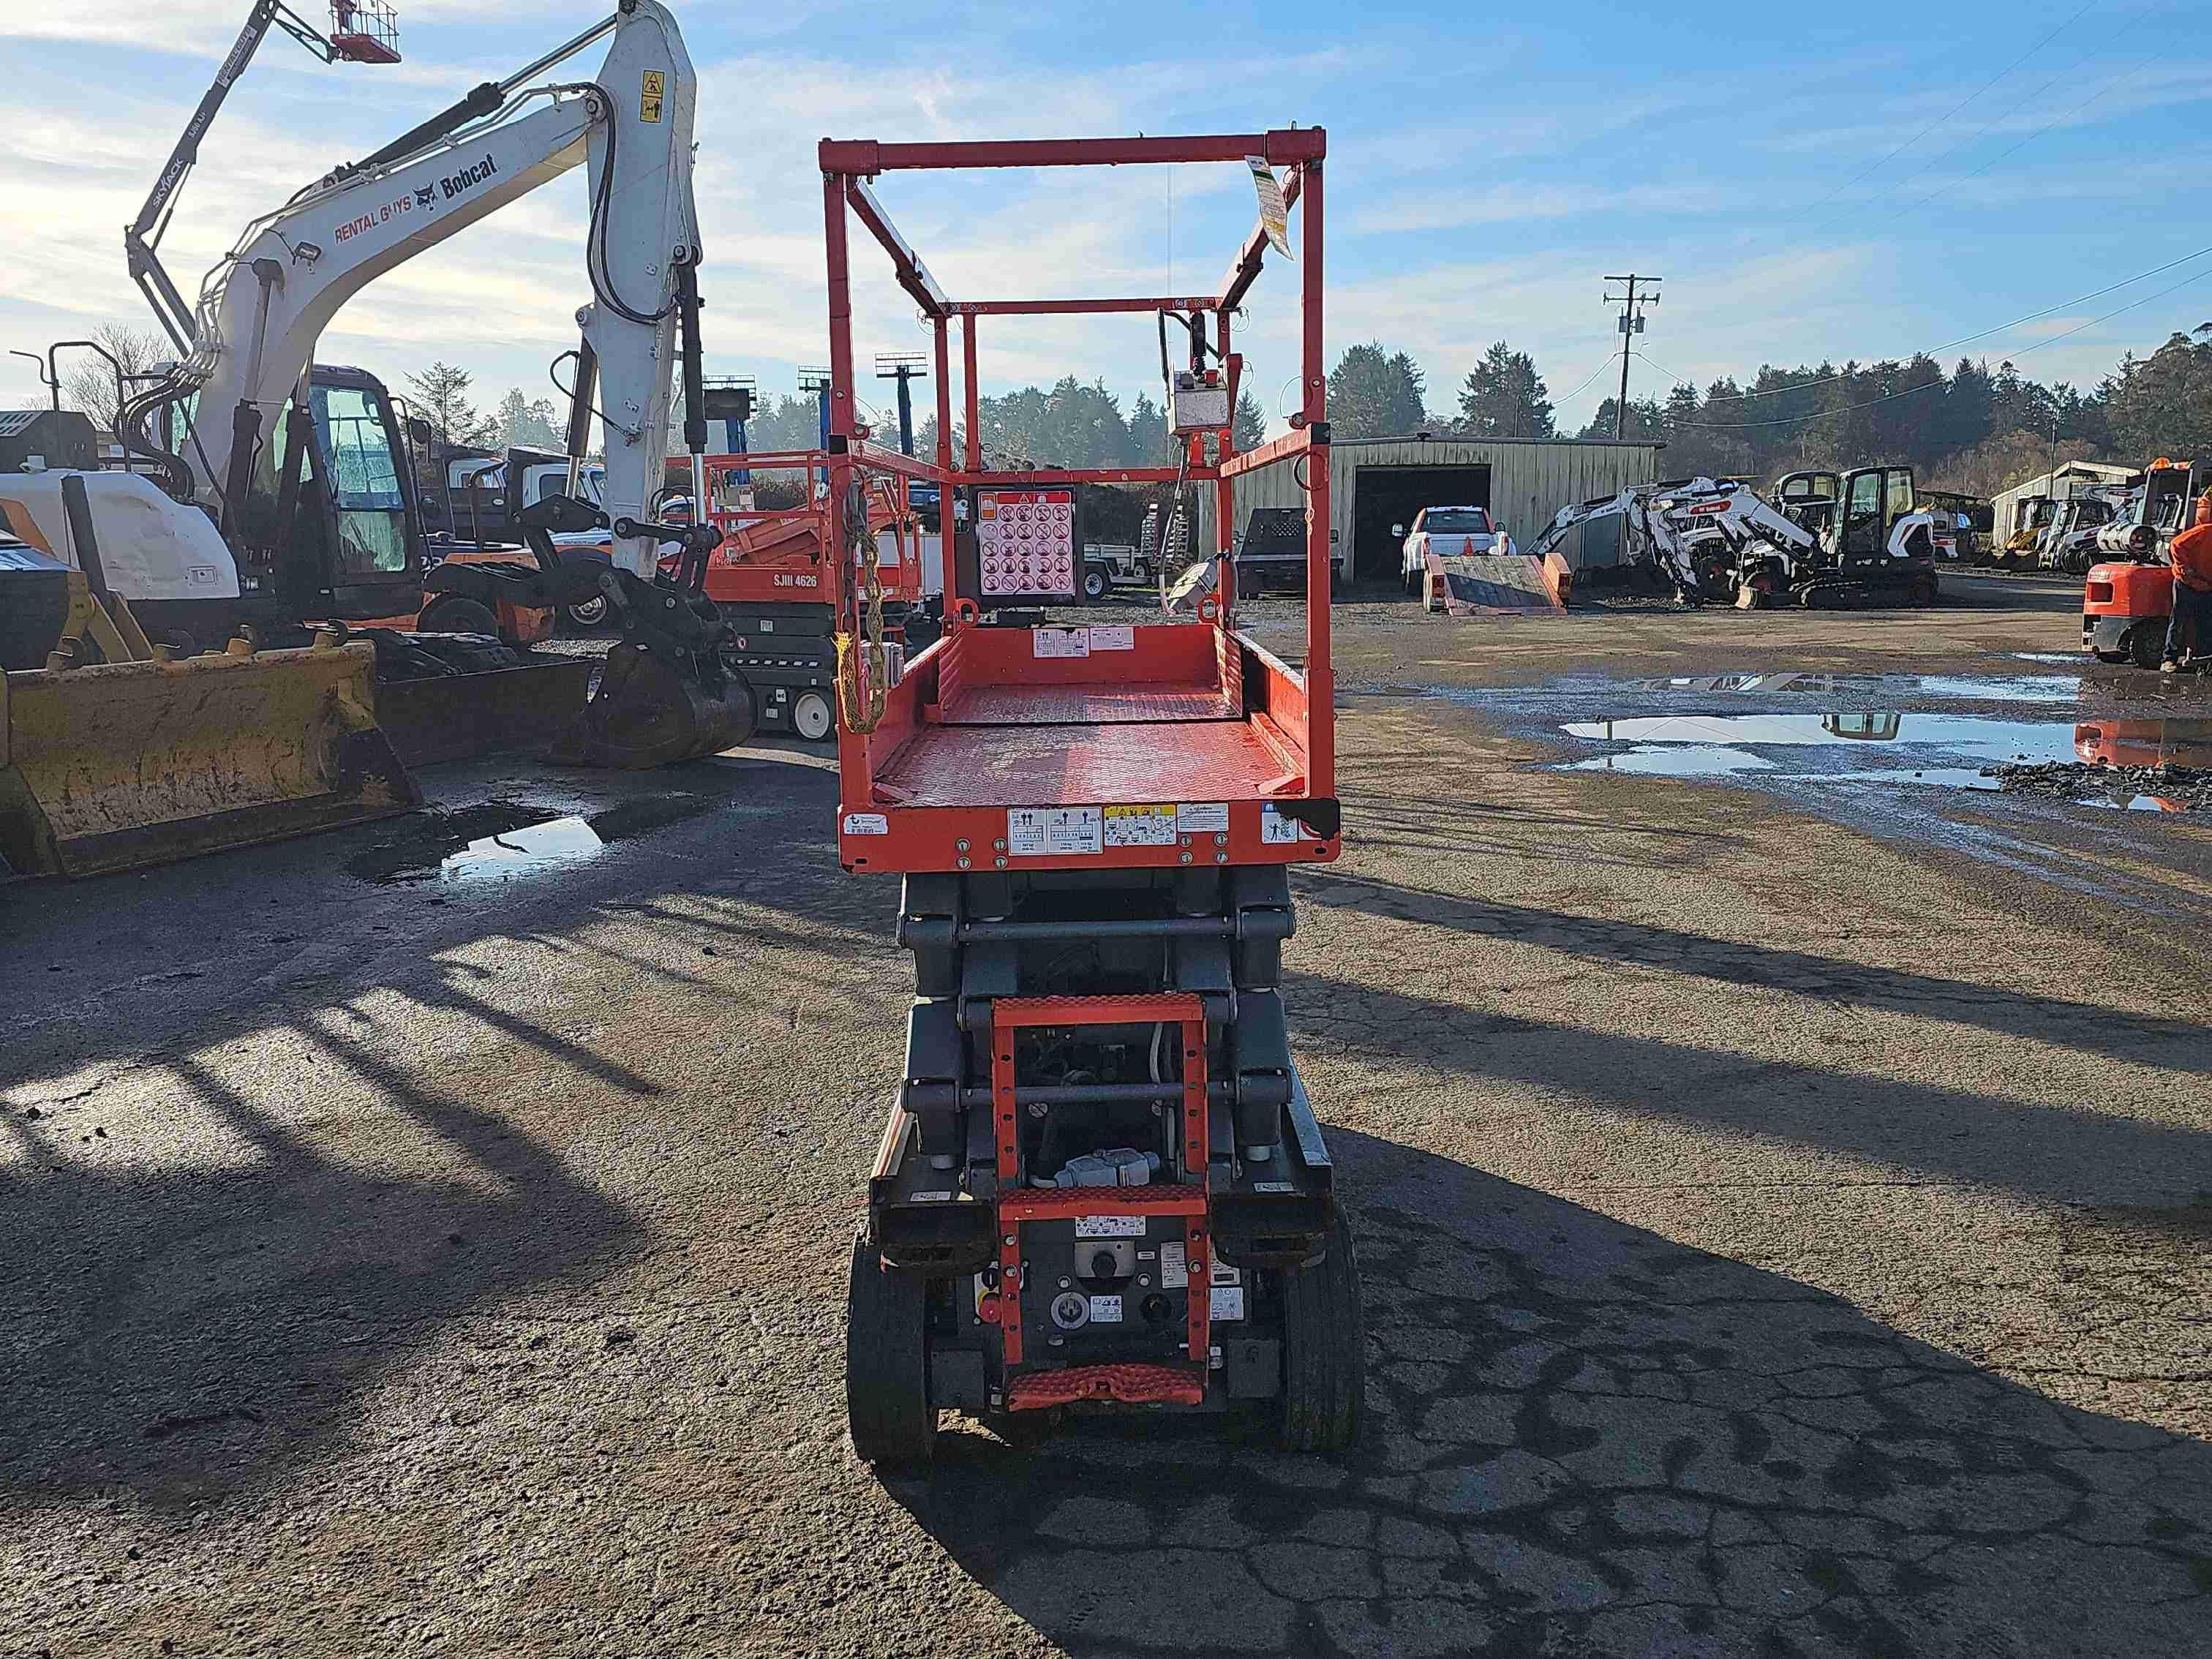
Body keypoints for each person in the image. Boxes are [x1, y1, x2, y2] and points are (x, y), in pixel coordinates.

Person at [2161, 489, 2212, 673]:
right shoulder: (2206, 531)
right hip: (2187, 582)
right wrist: (2186, 568)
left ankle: (2203, 660)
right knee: (2179, 620)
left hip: (2206, 585)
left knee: (2206, 623)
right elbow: (2176, 544)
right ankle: (2169, 659)